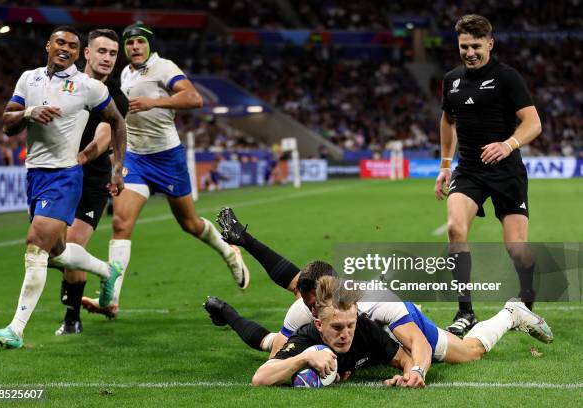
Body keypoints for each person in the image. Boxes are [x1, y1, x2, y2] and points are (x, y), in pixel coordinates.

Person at [205, 207, 553, 365]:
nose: (308, 306)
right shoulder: (312, 304)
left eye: (313, 303)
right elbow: (275, 357)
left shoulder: (375, 300)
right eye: (310, 306)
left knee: (468, 352)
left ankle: (510, 313)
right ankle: (229, 315)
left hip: (398, 329)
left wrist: (416, 370)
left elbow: (416, 345)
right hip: (357, 339)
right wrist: (304, 360)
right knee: (275, 346)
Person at [81, 24, 248, 319]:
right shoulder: (125, 74)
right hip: (135, 157)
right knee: (121, 223)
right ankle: (112, 299)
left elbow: (194, 99)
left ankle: (229, 251)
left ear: (150, 45)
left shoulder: (164, 67)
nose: (134, 47)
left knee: (189, 223)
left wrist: (154, 102)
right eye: (129, 42)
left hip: (167, 158)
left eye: (139, 42)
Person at [0, 26, 127, 349]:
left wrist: (117, 169)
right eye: (60, 42)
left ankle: (16, 329)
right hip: (34, 175)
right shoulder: (28, 79)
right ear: (48, 45)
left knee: (36, 245)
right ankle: (108, 270)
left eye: (73, 46)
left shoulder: (87, 87)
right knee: (57, 253)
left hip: (65, 176)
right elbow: (8, 123)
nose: (65, 48)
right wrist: (30, 113)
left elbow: (117, 122)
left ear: (79, 53)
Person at [434, 14, 542, 336]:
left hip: (506, 171)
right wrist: (444, 165)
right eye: (464, 46)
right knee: (455, 228)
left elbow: (533, 123)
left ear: (490, 44)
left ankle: (526, 297)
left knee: (516, 248)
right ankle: (465, 311)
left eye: (476, 46)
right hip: (469, 170)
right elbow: (447, 120)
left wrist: (508, 145)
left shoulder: (507, 78)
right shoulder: (451, 80)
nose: (469, 52)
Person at [55, 28, 129, 336]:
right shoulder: (64, 82)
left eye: (113, 53)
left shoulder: (116, 97)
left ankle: (72, 319)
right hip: (56, 174)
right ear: (86, 53)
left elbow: (103, 139)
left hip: (91, 178)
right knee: (52, 249)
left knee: (73, 245)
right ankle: (99, 272)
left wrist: (81, 159)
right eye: (102, 51)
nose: (108, 58)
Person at [251, 276, 423, 388]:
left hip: (399, 321)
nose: (345, 334)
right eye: (337, 327)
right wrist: (304, 358)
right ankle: (226, 312)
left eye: (350, 325)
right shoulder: (306, 337)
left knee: (439, 351)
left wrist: (407, 378)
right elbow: (260, 378)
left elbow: (405, 359)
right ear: (319, 325)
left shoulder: (365, 328)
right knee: (270, 342)